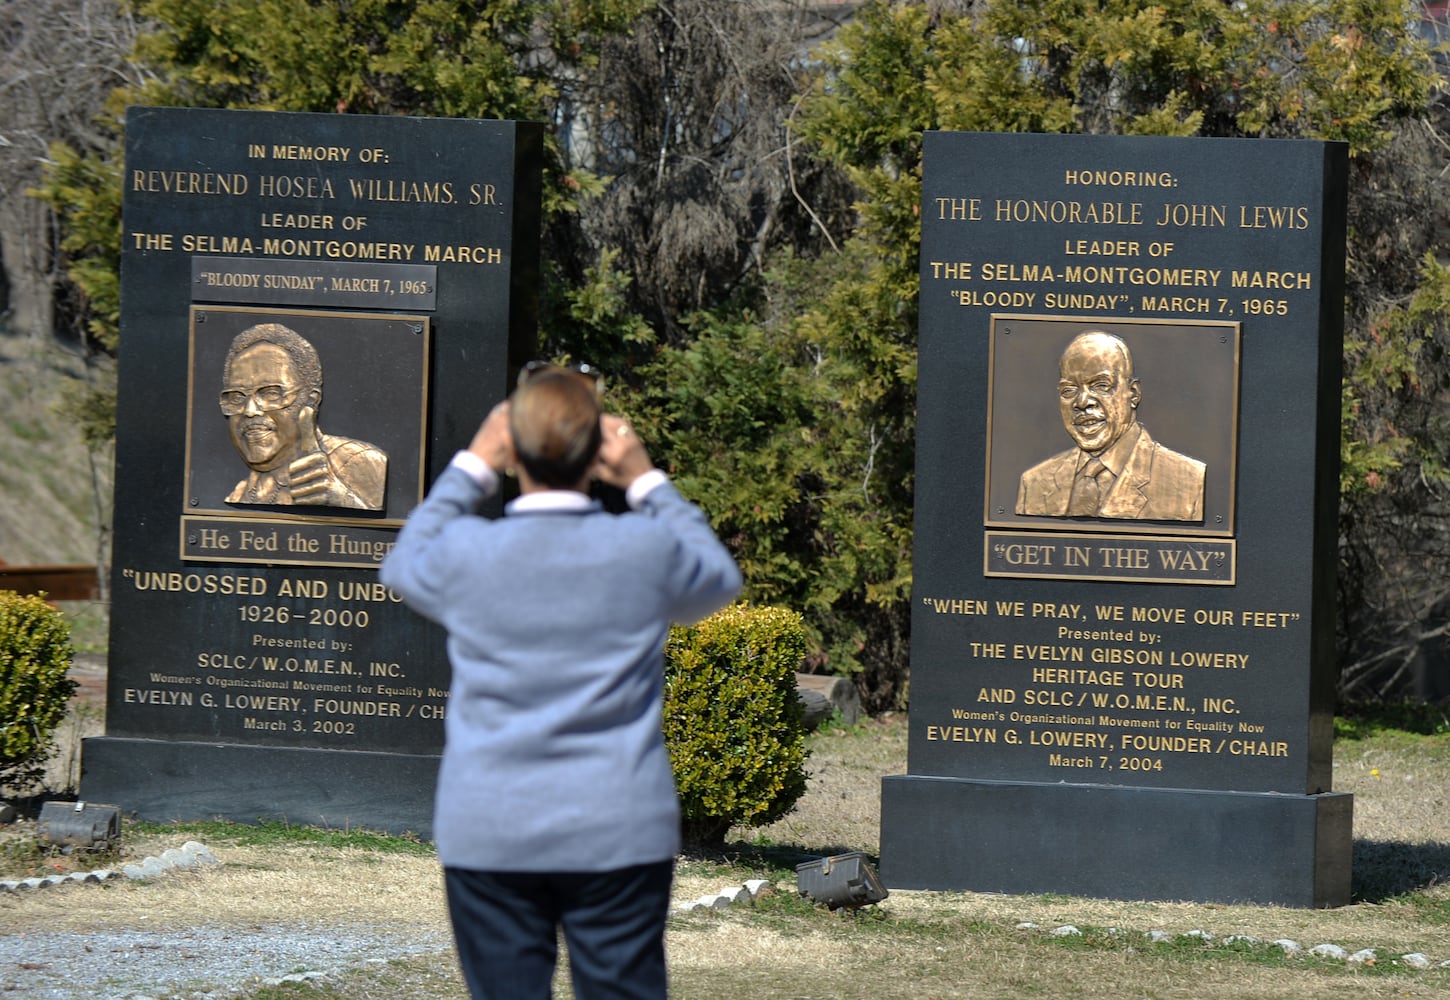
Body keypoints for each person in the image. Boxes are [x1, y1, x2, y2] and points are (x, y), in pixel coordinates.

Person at [379, 364, 742, 999]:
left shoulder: (468, 550)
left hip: (490, 826)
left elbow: (403, 563)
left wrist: (472, 465)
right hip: (619, 824)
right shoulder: (642, 548)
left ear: (511, 450)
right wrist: (647, 479)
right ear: (598, 450)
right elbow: (719, 577)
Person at [1015, 330, 1205, 521]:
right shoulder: (1034, 484)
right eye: (1069, 390)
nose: (1082, 402)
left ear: (1133, 393)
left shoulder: (1191, 482)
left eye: (1101, 385)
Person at [219, 323, 387, 509]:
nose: (250, 410)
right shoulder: (240, 493)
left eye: (271, 393)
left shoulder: (360, 462)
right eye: (236, 397)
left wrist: (343, 500)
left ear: (310, 400)